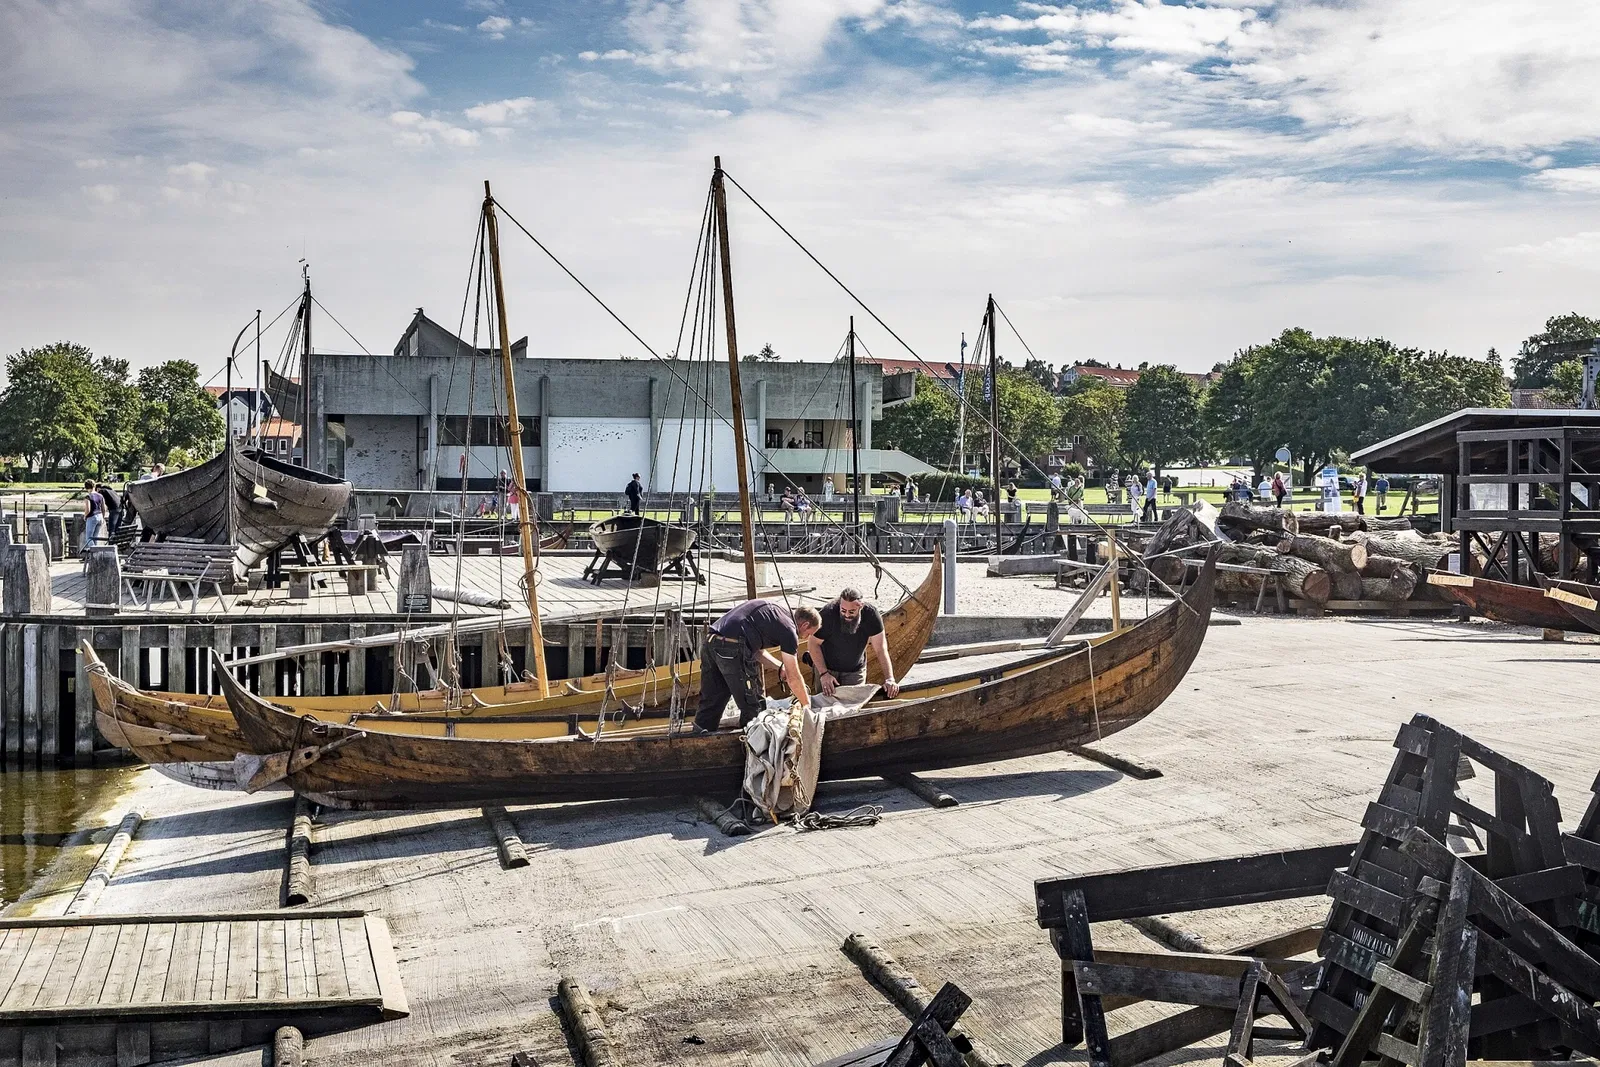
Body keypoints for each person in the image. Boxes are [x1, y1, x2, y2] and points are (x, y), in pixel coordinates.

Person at [692, 601, 820, 734]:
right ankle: (748, 747)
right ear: (805, 625)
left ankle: (697, 743)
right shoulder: (789, 630)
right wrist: (807, 707)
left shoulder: (776, 612)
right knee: (754, 705)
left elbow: (756, 650)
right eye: (810, 633)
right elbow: (793, 676)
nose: (808, 637)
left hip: (711, 642)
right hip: (732, 647)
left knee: (711, 700)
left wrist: (779, 667)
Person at [807, 587, 900, 699]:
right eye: (843, 610)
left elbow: (880, 649)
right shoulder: (828, 614)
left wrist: (890, 678)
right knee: (824, 706)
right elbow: (813, 644)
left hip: (855, 672)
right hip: (827, 670)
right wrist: (823, 674)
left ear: (860, 607)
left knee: (855, 707)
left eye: (852, 612)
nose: (847, 615)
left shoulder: (871, 616)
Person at [81, 479, 106, 555]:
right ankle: (94, 556)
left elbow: (88, 509)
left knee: (89, 538)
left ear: (86, 488)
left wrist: (85, 516)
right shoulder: (100, 496)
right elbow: (104, 508)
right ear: (94, 486)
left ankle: (96, 553)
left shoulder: (88, 497)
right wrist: (103, 517)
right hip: (100, 516)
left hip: (92, 517)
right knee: (95, 538)